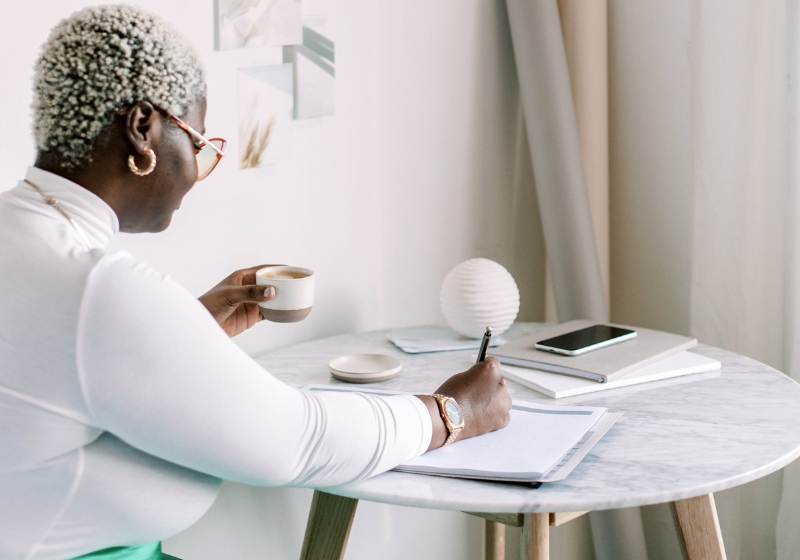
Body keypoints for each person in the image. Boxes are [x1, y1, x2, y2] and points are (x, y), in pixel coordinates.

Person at [0, 6, 512, 560]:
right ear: (143, 129)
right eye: (199, 146)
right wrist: (449, 412)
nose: (199, 171)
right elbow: (298, 440)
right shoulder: (96, 289)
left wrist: (184, 333)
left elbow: (59, 382)